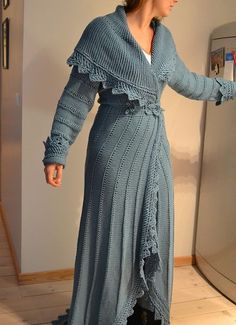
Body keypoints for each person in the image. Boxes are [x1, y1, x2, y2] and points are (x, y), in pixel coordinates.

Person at [42, 1, 236, 324]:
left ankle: (142, 314)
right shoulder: (102, 33)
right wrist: (57, 150)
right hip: (113, 157)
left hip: (154, 154)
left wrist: (230, 88)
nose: (177, 0)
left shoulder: (165, 40)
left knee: (155, 233)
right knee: (113, 245)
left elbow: (190, 83)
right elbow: (76, 97)